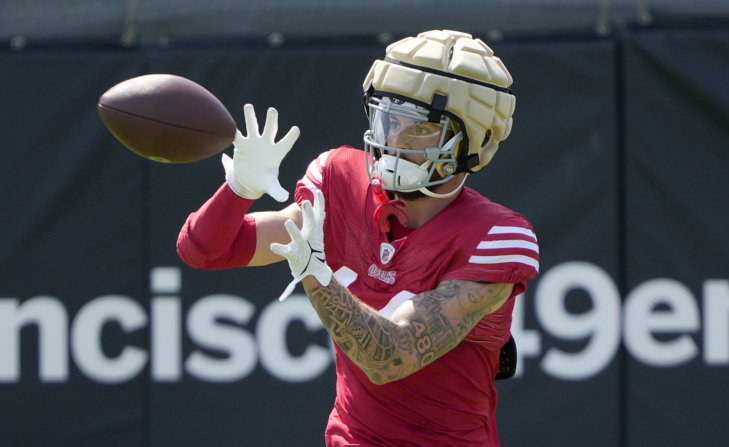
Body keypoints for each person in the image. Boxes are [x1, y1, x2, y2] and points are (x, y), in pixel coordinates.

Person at [177, 29, 539, 447]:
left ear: (468, 144)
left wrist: (316, 276)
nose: (392, 139)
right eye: (389, 117)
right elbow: (203, 250)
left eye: (418, 129)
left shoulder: (495, 235)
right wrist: (239, 190)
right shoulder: (342, 185)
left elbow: (390, 357)